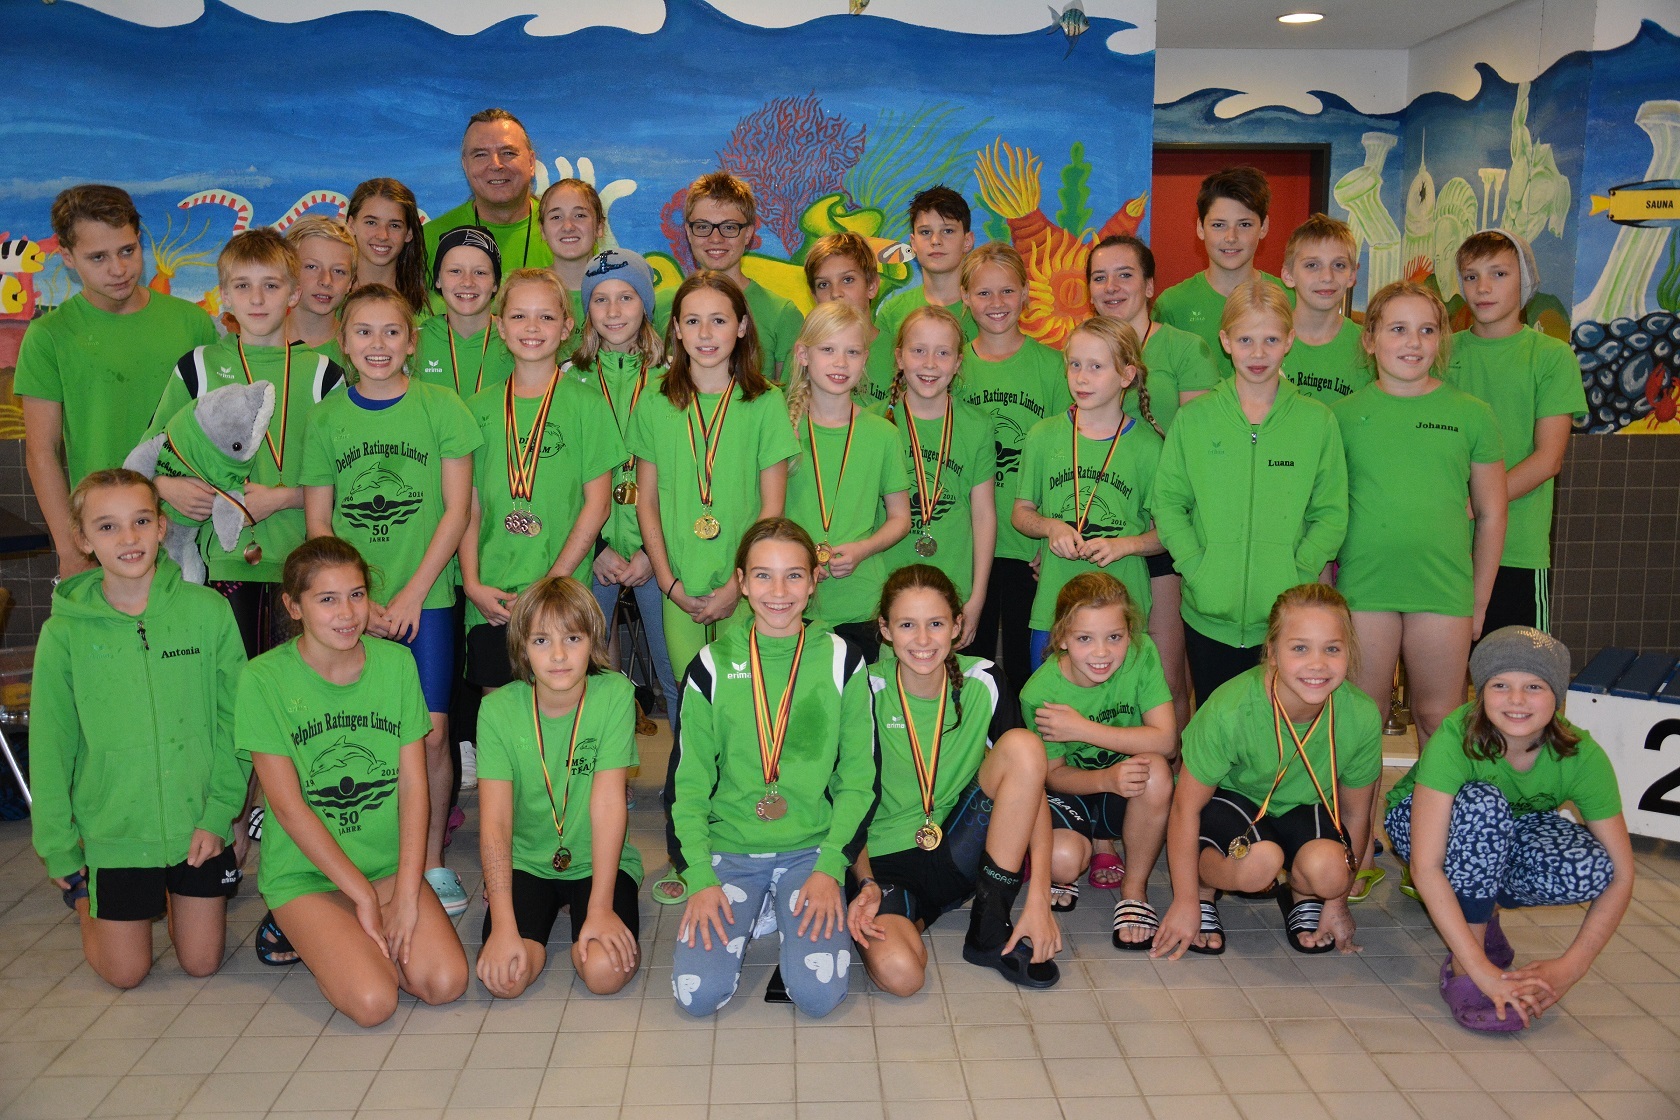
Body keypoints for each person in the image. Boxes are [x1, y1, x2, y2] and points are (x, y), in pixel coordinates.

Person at [301, 284, 482, 916]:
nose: (377, 345)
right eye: (364, 331)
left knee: (431, 736)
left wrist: (410, 594)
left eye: (391, 331)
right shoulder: (326, 419)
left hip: (426, 600)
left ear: (411, 341)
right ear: (343, 341)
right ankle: (365, 859)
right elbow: (318, 523)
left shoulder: (442, 407)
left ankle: (431, 862)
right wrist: (357, 601)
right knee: (364, 734)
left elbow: (457, 510)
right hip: (350, 607)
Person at [30, 469, 247, 989]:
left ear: (161, 527)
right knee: (126, 974)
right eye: (107, 526)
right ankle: (90, 900)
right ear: (83, 540)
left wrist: (219, 814)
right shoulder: (64, 633)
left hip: (197, 824)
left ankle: (175, 899)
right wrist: (58, 845)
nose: (128, 538)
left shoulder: (208, 612)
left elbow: (238, 722)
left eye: (141, 521)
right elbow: (51, 745)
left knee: (201, 962)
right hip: (114, 833)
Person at [237, 537, 468, 1025]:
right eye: (327, 599)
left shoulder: (395, 664)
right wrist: (362, 895)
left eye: (357, 595)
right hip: (308, 878)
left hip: (387, 868)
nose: (347, 613)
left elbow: (414, 788)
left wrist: (407, 892)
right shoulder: (262, 680)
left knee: (445, 982)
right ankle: (296, 924)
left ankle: (353, 938)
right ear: (293, 607)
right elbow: (288, 808)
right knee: (373, 1002)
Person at [666, 518, 877, 1018]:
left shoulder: (843, 660)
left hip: (811, 850)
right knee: (697, 997)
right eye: (763, 575)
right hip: (731, 848)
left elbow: (859, 778)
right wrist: (700, 876)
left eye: (793, 575)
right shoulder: (711, 666)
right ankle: (761, 902)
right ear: (741, 582)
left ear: (814, 580)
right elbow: (687, 784)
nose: (779, 592)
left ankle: (783, 899)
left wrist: (831, 866)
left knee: (818, 997)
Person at [1335, 281, 1508, 884]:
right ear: (1370, 340)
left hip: (1442, 592)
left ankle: (1430, 855)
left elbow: (1492, 513)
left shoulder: (1471, 414)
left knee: (1440, 721)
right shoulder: (1343, 415)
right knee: (1361, 724)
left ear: (1442, 341)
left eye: (1427, 330)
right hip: (1365, 591)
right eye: (1398, 329)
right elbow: (1327, 511)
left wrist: (1479, 598)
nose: (1413, 342)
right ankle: (1355, 853)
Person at [1384, 627, 1634, 1032]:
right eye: (1500, 685)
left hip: (1507, 829)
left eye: (1534, 686)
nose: (1517, 699)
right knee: (1483, 805)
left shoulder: (1581, 756)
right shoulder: (1456, 737)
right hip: (1423, 826)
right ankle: (1464, 963)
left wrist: (1571, 967)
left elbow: (1622, 875)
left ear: (1558, 695)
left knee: (1590, 867)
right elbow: (1426, 867)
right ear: (1480, 692)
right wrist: (1481, 970)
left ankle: (1483, 914)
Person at [849, 564, 1061, 994]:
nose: (923, 640)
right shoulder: (864, 690)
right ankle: (912, 914)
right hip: (887, 863)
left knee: (1024, 746)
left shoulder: (983, 681)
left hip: (958, 849)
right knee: (902, 975)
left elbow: (1030, 781)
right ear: (885, 630)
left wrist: (1040, 898)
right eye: (907, 625)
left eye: (936, 624)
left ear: (957, 625)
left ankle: (989, 927)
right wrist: (865, 883)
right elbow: (843, 799)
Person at [1153, 583, 1380, 958]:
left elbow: (1357, 813)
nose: (1317, 664)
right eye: (1300, 648)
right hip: (1234, 802)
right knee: (1259, 863)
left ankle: (1302, 894)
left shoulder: (1361, 715)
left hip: (1304, 807)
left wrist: (1337, 902)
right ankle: (1205, 891)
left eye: (1332, 649)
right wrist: (1185, 901)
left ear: (1349, 652)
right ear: (1272, 652)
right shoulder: (1231, 709)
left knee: (1330, 872)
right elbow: (1185, 808)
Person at [148, 227, 346, 657]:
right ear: (224, 295)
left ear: (294, 293)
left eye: (270, 286)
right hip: (219, 561)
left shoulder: (324, 374)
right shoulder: (198, 366)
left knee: (294, 689)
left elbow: (346, 476)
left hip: (303, 563)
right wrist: (166, 487)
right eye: (242, 286)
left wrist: (284, 498)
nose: (257, 299)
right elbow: (149, 457)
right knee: (231, 685)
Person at [1151, 280, 1348, 703]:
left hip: (1285, 620)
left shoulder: (1316, 421)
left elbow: (1331, 512)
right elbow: (1167, 502)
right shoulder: (1195, 418)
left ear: (1289, 340)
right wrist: (1195, 567)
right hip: (1207, 615)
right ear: (1225, 342)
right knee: (1215, 725)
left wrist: (1299, 570)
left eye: (1271, 340)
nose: (1258, 353)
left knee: (1278, 726)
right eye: (1245, 340)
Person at [17, 184, 218, 580]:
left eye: (127, 250)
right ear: (67, 257)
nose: (118, 268)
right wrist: (71, 549)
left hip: (189, 530)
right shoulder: (48, 336)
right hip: (104, 537)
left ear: (139, 239)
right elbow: (41, 452)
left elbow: (214, 429)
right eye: (98, 257)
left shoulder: (192, 322)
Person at [628, 271, 800, 687]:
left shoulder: (766, 402)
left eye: (719, 320)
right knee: (690, 694)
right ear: (676, 329)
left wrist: (738, 584)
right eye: (692, 321)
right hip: (679, 584)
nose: (705, 333)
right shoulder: (653, 400)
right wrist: (667, 582)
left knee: (748, 696)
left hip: (747, 584)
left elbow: (772, 508)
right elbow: (645, 500)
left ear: (741, 327)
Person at [475, 577, 642, 999]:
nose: (559, 655)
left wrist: (600, 909)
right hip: (527, 862)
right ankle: (544, 927)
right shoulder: (496, 710)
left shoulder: (615, 695)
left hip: (598, 861)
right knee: (507, 980)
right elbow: (495, 823)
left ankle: (582, 922)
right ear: (522, 648)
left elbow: (608, 804)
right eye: (541, 640)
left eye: (572, 638)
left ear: (593, 641)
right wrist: (504, 924)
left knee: (604, 974)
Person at [459, 269, 620, 699]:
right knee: (500, 716)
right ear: (499, 326)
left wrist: (551, 583)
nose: (532, 327)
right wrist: (472, 584)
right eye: (519, 316)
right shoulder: (477, 409)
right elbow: (468, 506)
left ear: (566, 328)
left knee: (562, 714)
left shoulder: (588, 406)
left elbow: (598, 505)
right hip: (493, 599)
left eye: (546, 317)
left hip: (561, 597)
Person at [1087, 232, 1218, 738]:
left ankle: (1175, 773)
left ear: (1149, 286)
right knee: (1101, 673)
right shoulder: (1081, 351)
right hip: (1099, 529)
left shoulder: (1185, 350)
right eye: (1100, 277)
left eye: (1125, 275)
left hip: (1165, 532)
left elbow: (1201, 450)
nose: (1112, 287)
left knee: (1164, 678)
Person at [1023, 573, 1175, 948]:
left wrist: (1082, 729)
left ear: (1130, 633)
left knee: (1156, 772)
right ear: (1061, 638)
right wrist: (1106, 778)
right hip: (1075, 788)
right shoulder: (1040, 693)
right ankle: (1077, 847)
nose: (1102, 653)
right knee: (1062, 860)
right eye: (1085, 639)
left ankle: (1134, 890)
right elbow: (1054, 776)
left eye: (1115, 637)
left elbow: (1166, 741)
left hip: (1123, 784)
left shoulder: (1142, 654)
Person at [1447, 230, 1586, 634]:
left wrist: (1476, 505)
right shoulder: (1441, 353)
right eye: (1471, 276)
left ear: (1525, 280)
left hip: (1517, 549)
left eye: (1499, 273)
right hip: (1445, 546)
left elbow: (1548, 459)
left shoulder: (1551, 357)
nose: (1483, 287)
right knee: (1446, 670)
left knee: (1516, 667)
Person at [569, 248, 682, 725]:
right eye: (600, 299)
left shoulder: (675, 380)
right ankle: (595, 768)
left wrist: (651, 553)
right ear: (587, 310)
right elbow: (560, 479)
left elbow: (684, 477)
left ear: (646, 305)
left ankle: (687, 770)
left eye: (627, 297)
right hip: (590, 553)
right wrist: (595, 548)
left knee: (676, 673)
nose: (613, 311)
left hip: (658, 551)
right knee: (582, 676)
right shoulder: (567, 381)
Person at [1014, 316, 1161, 669]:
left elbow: (1168, 533)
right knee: (1048, 702)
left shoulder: (1148, 447)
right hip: (1054, 609)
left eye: (1096, 366)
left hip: (1122, 615)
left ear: (1126, 375)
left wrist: (1125, 545)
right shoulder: (1043, 436)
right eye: (1075, 364)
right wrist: (1051, 527)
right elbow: (1021, 513)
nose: (1081, 377)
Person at [958, 243, 1070, 696]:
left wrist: (1050, 538)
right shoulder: (952, 365)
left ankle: (1030, 742)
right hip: (969, 545)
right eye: (983, 293)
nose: (996, 302)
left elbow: (1067, 458)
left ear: (1026, 293)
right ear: (965, 297)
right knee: (971, 665)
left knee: (1030, 670)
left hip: (1030, 548)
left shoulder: (1053, 366)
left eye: (1007, 290)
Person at [783, 300, 911, 659]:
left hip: (862, 603)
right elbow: (765, 513)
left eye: (852, 352)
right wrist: (801, 556)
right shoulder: (781, 427)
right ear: (803, 354)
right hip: (791, 600)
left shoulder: (882, 433)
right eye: (828, 350)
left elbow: (900, 518)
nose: (841, 363)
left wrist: (863, 549)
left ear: (865, 358)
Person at [878, 306, 996, 650]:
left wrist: (977, 598)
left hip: (954, 586)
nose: (930, 364)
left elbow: (983, 514)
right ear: (899, 357)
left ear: (958, 363)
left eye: (943, 353)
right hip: (885, 587)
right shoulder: (874, 423)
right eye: (918, 351)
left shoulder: (977, 425)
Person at [654, 171, 804, 381]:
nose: (716, 238)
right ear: (688, 232)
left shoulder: (782, 315)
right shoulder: (659, 306)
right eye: (703, 227)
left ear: (748, 233)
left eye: (729, 227)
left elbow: (790, 396)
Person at [1152, 166, 1292, 379]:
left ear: (1264, 226)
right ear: (1200, 228)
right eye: (1218, 225)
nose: (1231, 237)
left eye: (1244, 224)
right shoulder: (1172, 305)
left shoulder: (1290, 299)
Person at [423, 108, 552, 275]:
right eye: (481, 155)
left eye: (508, 153)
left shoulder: (568, 234)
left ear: (531, 162)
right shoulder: (430, 240)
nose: (496, 165)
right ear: (465, 166)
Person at [1279, 214, 1371, 404]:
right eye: (1312, 265)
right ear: (1288, 275)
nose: (1327, 277)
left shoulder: (1369, 347)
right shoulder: (1265, 341)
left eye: (1339, 265)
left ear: (1352, 275)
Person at [874, 186, 980, 345]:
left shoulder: (986, 309)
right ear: (913, 243)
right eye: (925, 232)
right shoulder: (892, 314)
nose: (935, 240)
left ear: (967, 241)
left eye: (948, 231)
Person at [415, 226, 514, 396]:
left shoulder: (516, 339)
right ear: (438, 279)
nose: (467, 282)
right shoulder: (415, 341)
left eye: (480, 272)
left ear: (495, 283)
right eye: (455, 271)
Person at [803, 231, 896, 407]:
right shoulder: (806, 353)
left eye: (847, 280)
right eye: (823, 284)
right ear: (814, 297)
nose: (835, 293)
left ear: (872, 286)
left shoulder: (899, 353)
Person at [539, 176, 603, 358]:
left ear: (599, 227)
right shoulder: (524, 290)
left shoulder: (620, 293)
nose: (568, 226)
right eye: (556, 217)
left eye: (580, 215)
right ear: (542, 230)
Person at [347, 178, 429, 316]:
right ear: (351, 225)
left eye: (394, 225)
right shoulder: (329, 302)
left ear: (409, 233)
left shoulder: (434, 310)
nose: (383, 235)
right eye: (371, 222)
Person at [284, 216, 358, 366]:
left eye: (338, 271)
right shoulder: (259, 342)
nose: (326, 281)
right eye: (312, 267)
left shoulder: (360, 350)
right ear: (289, 272)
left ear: (350, 282)